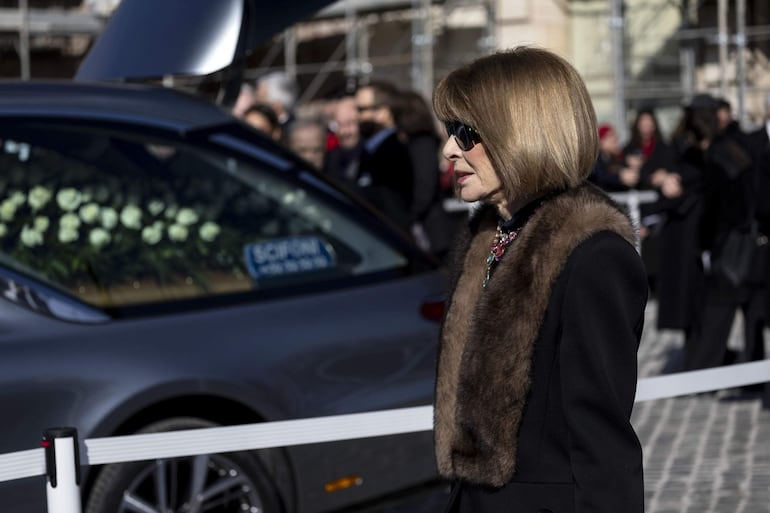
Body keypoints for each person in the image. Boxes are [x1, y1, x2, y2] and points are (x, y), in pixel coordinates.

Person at [432, 46, 647, 513]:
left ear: (520, 133)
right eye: (451, 133)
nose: (449, 149)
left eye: (466, 134)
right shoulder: (489, 236)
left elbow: (603, 439)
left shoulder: (592, 256)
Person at [396, 89, 454, 258]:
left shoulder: (422, 143)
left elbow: (425, 185)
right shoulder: (413, 142)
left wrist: (410, 215)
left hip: (431, 229)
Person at [354, 80, 414, 232]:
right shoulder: (369, 148)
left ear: (384, 113)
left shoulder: (394, 151)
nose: (357, 116)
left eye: (362, 109)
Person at [589, 122, 640, 191]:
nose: (615, 140)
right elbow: (600, 176)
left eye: (615, 136)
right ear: (601, 141)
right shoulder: (595, 159)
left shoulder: (616, 158)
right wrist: (620, 178)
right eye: (610, 136)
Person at [323, 95, 362, 183]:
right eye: (339, 125)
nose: (344, 132)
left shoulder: (372, 157)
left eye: (350, 124)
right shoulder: (329, 158)